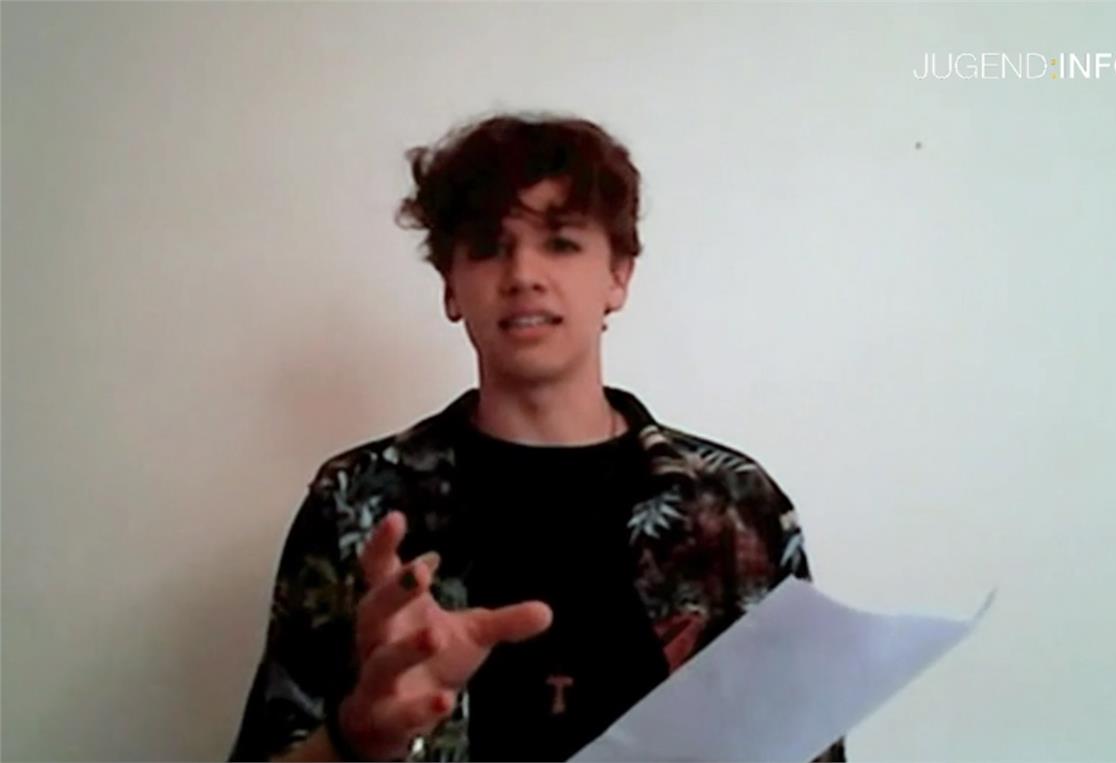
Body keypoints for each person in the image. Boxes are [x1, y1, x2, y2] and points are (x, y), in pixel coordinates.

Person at [228, 111, 847, 762]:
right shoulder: (359, 503)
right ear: (451, 287)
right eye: (489, 247)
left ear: (619, 276)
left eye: (561, 242)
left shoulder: (737, 506)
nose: (523, 272)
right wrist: (357, 736)